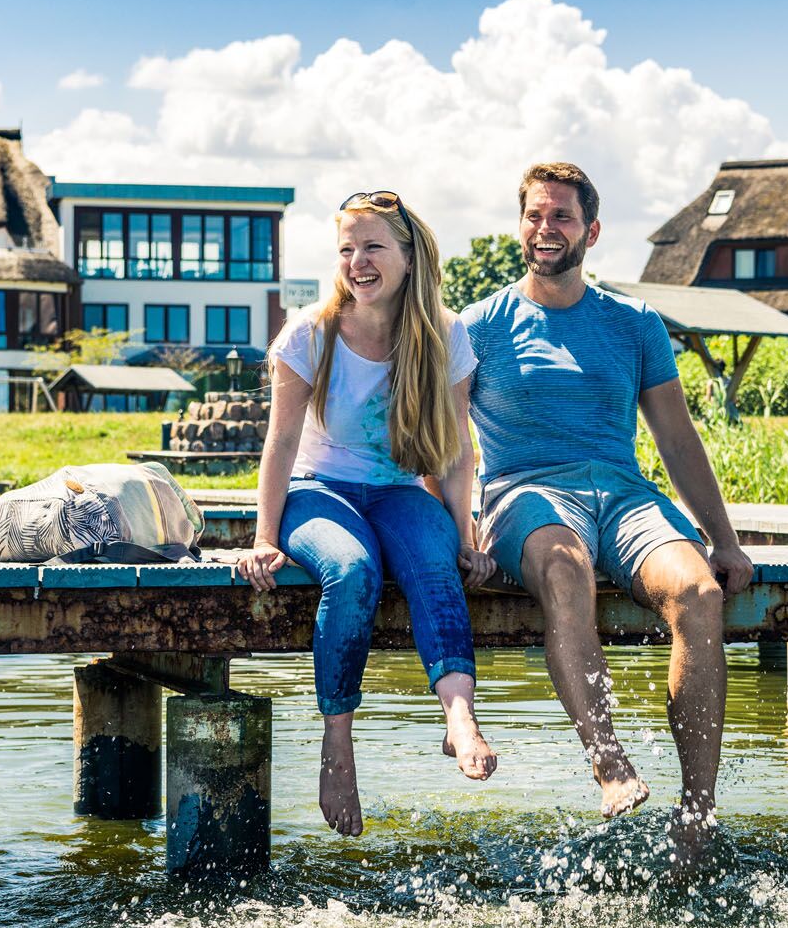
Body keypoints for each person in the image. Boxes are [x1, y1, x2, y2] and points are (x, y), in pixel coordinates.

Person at [462, 162, 752, 863]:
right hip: (526, 495)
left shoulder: (634, 323)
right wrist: (458, 531)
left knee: (698, 592)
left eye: (561, 216)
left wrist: (727, 541)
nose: (545, 228)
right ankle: (609, 761)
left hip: (623, 495)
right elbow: (442, 443)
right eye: (534, 214)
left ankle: (697, 815)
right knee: (566, 569)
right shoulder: (478, 326)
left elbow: (677, 440)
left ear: (590, 230)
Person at [237, 191, 497, 837]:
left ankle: (459, 715)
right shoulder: (311, 333)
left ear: (408, 257)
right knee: (352, 571)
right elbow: (281, 444)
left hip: (400, 492)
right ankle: (338, 744)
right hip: (320, 492)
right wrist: (265, 537)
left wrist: (465, 535)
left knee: (435, 563)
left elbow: (458, 451)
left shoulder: (445, 333)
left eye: (373, 246)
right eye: (347, 249)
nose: (358, 261)